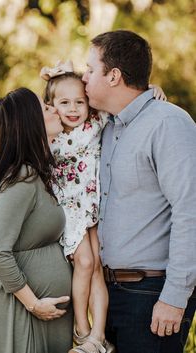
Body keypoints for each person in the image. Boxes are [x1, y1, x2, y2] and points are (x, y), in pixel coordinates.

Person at [82, 29, 196, 353]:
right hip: (109, 295)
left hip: (152, 296)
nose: (84, 76)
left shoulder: (168, 124)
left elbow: (191, 210)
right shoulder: (106, 127)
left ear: (114, 75)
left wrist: (174, 297)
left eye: (91, 69)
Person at [40, 61, 166, 353]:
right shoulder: (49, 137)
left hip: (95, 209)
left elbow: (122, 96)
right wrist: (50, 76)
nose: (72, 108)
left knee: (97, 266)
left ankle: (98, 335)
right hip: (70, 213)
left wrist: (150, 88)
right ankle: (82, 329)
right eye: (63, 103)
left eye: (79, 102)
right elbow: (25, 112)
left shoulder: (95, 124)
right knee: (84, 263)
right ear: (50, 105)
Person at [0, 87, 73, 353]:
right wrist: (34, 304)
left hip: (33, 310)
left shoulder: (40, 172)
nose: (55, 109)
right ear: (31, 122)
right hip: (15, 309)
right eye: (46, 107)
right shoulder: (22, 177)